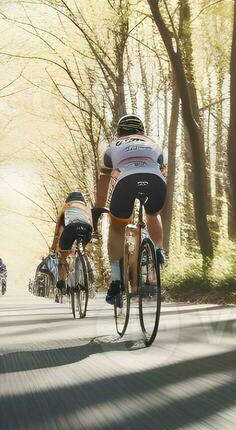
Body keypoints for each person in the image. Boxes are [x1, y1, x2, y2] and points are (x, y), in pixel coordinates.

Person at [93, 115, 167, 307]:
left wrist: (100, 207)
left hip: (125, 181)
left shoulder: (111, 147)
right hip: (155, 180)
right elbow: (162, 171)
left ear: (119, 132)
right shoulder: (154, 144)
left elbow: (104, 181)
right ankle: (159, 251)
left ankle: (117, 282)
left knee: (116, 227)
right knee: (153, 214)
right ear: (141, 131)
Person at [53, 190, 93, 292]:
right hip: (86, 229)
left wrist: (55, 247)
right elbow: (91, 225)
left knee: (63, 255)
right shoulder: (87, 208)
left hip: (71, 228)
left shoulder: (66, 207)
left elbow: (59, 230)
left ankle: (62, 281)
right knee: (81, 249)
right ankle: (86, 272)